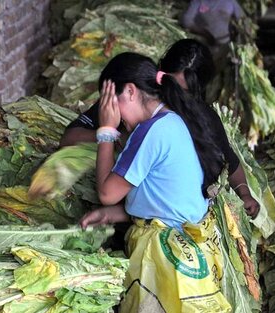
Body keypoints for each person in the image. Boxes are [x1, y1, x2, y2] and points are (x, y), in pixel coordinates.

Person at [82, 52, 231, 312]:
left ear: (130, 91)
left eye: (111, 102)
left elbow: (107, 192)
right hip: (185, 250)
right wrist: (111, 214)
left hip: (165, 258)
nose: (113, 112)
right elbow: (164, 197)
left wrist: (106, 131)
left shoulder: (150, 131)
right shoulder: (172, 120)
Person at [61, 39, 259, 218]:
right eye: (170, 83)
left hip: (160, 232)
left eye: (185, 92)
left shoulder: (163, 127)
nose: (176, 96)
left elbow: (107, 194)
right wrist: (120, 136)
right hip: (158, 220)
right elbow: (70, 138)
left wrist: (108, 131)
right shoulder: (145, 112)